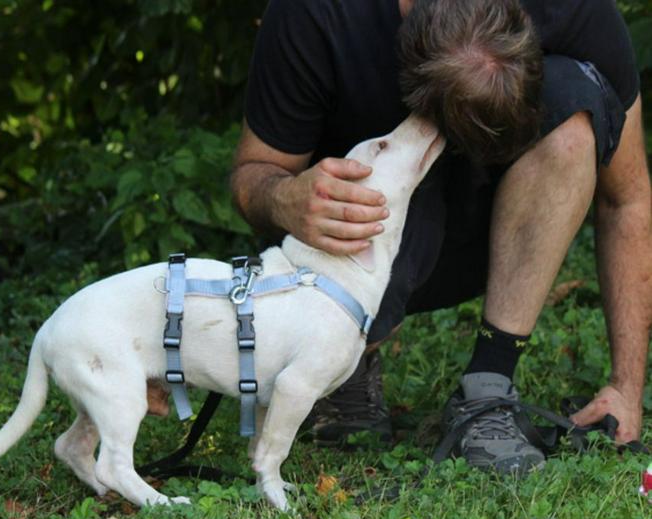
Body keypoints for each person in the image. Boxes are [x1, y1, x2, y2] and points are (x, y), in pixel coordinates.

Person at [228, 0, 651, 473]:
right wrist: (287, 199)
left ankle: (488, 387)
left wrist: (626, 386)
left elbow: (627, 199)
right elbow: (254, 174)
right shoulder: (316, 14)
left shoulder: (575, 10)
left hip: (495, 232)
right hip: (357, 239)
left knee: (574, 103)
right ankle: (346, 357)